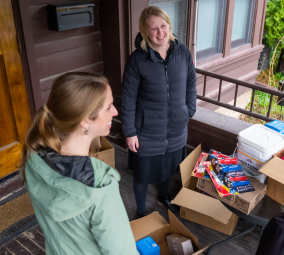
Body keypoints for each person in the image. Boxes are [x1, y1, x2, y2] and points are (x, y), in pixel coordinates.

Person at [21, 72, 139, 255]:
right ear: (85, 120)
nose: (115, 112)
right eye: (108, 107)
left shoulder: (34, 157)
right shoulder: (101, 184)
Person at [121, 6, 197, 218]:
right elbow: (127, 97)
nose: (160, 32)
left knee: (167, 167)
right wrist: (129, 132)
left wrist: (189, 109)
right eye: (153, 28)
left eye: (163, 26)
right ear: (145, 32)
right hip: (146, 130)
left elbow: (191, 82)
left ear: (169, 25)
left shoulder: (182, 52)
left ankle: (163, 196)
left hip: (176, 127)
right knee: (142, 174)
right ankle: (141, 212)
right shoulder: (137, 60)